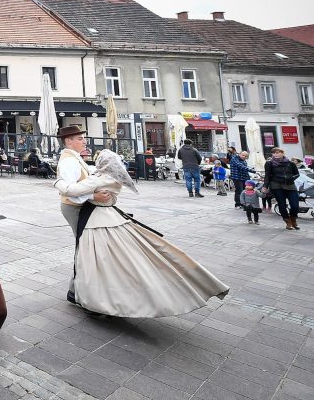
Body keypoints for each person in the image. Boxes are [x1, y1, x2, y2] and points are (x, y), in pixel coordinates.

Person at [55, 149, 228, 317]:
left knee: (93, 261)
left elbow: (70, 191)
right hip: (113, 219)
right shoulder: (114, 178)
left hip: (96, 222)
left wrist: (59, 181)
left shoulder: (99, 179)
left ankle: (95, 300)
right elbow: (109, 196)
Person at [55, 126, 114, 305]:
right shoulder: (68, 161)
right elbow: (70, 190)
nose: (84, 141)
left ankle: (76, 289)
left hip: (79, 206)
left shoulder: (74, 158)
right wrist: (93, 195)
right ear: (68, 141)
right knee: (84, 247)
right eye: (80, 138)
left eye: (83, 137)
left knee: (85, 247)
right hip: (74, 207)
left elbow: (82, 181)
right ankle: (76, 290)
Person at [263, 147, 301, 230]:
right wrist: (265, 186)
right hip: (276, 186)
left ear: (283, 153)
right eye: (274, 153)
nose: (276, 154)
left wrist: (290, 179)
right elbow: (267, 175)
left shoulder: (290, 163)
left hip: (290, 186)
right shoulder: (269, 163)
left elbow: (297, 174)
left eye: (278, 152)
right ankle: (287, 221)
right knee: (282, 205)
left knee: (295, 206)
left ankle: (293, 219)